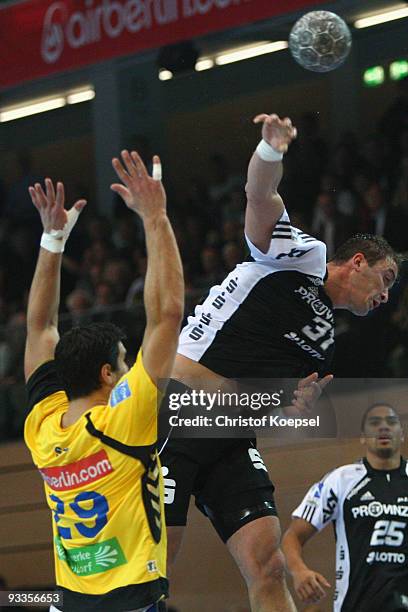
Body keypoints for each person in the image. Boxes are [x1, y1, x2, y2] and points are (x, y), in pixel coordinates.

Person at [160, 113, 403, 612]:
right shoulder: (303, 258)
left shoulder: (324, 340)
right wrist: (271, 150)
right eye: (385, 278)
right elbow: (260, 199)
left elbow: (261, 405)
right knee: (152, 566)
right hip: (180, 412)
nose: (386, 294)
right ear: (357, 261)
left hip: (228, 435)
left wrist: (292, 404)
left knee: (269, 566)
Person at [23, 150, 184, 612]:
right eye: (124, 359)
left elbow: (38, 330)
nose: (131, 365)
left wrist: (52, 241)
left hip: (69, 602)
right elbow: (167, 315)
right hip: (130, 600)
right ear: (107, 374)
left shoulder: (43, 426)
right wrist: (156, 218)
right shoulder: (123, 421)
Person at [282, 403, 408, 612]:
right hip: (355, 605)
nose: (383, 428)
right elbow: (292, 536)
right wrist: (299, 571)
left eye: (391, 422)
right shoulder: (341, 480)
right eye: (375, 423)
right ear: (362, 436)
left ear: (401, 434)